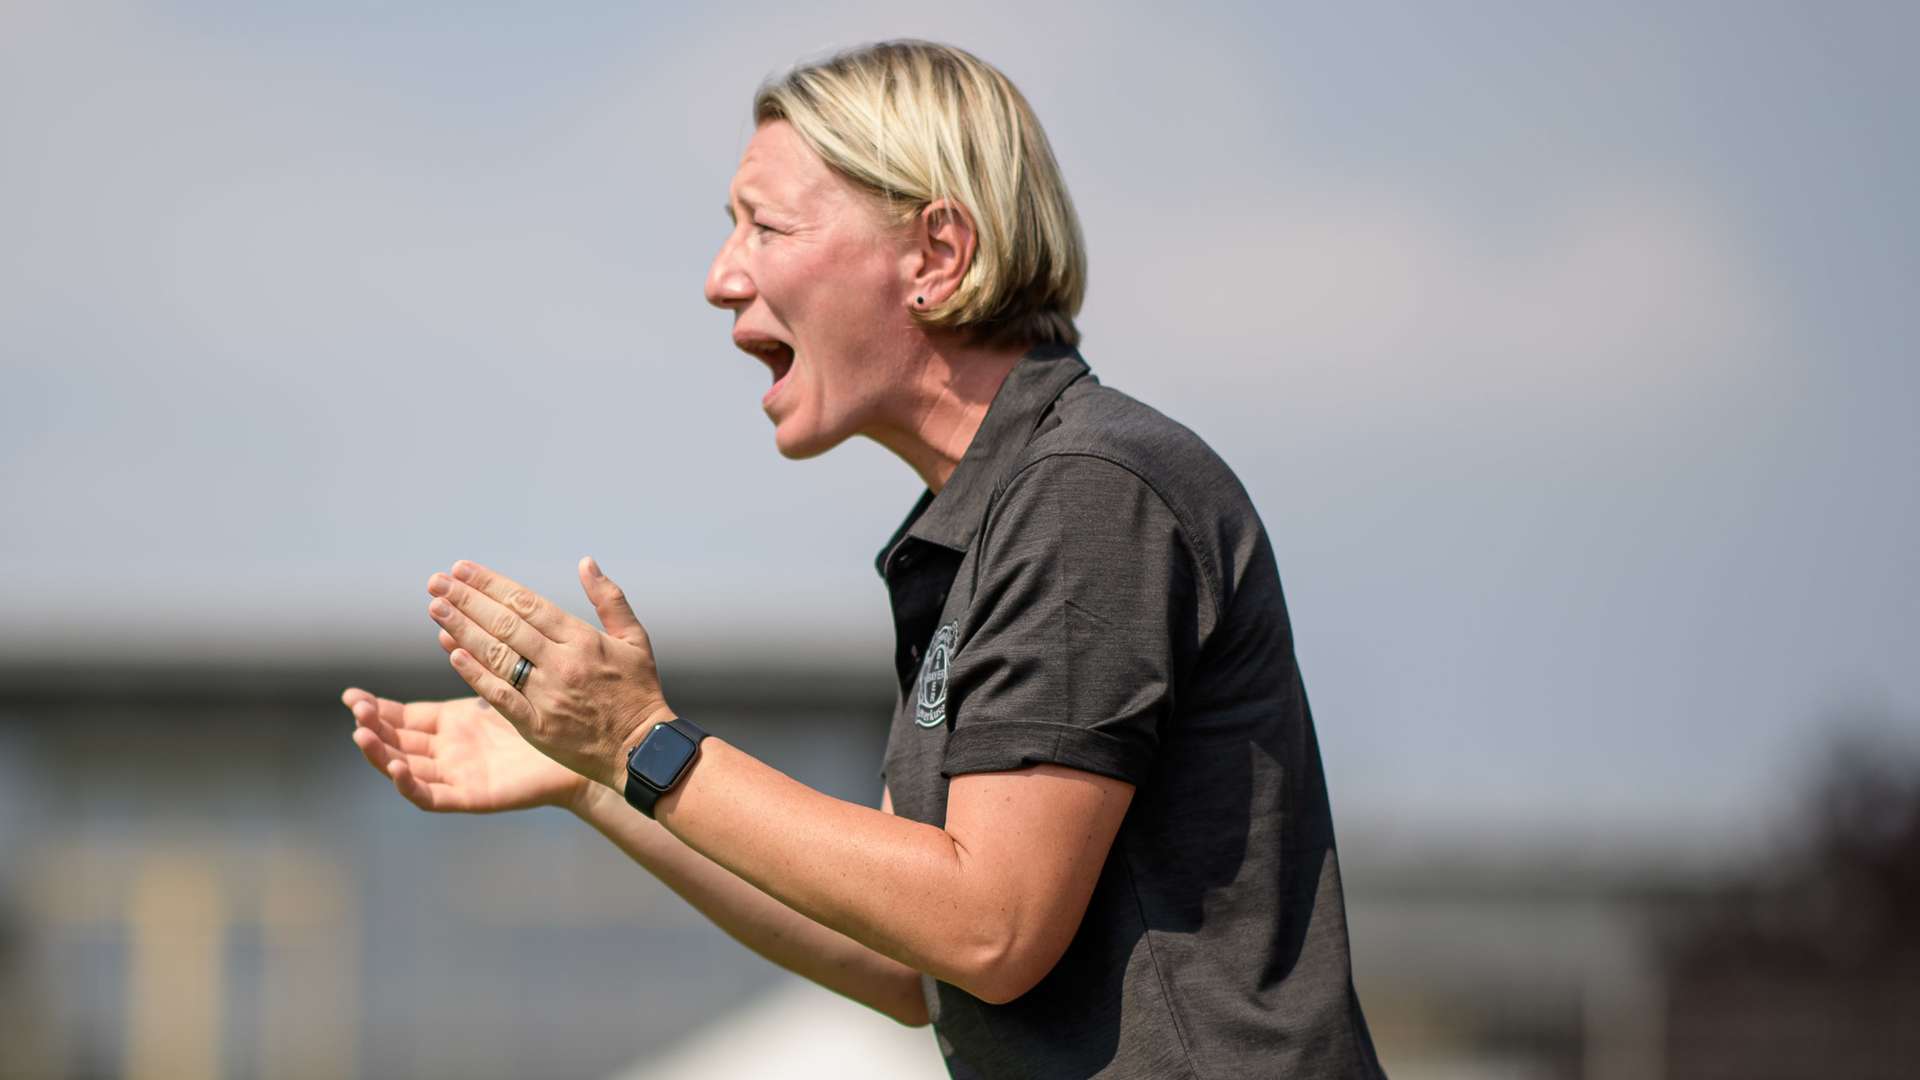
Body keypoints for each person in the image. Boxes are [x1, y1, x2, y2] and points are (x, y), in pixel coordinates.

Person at [345, 40, 1386, 1079]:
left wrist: (641, 745)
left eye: (764, 225)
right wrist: (599, 777)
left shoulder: (1087, 491)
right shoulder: (984, 519)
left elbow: (992, 928)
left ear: (936, 253)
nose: (720, 277)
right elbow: (908, 957)